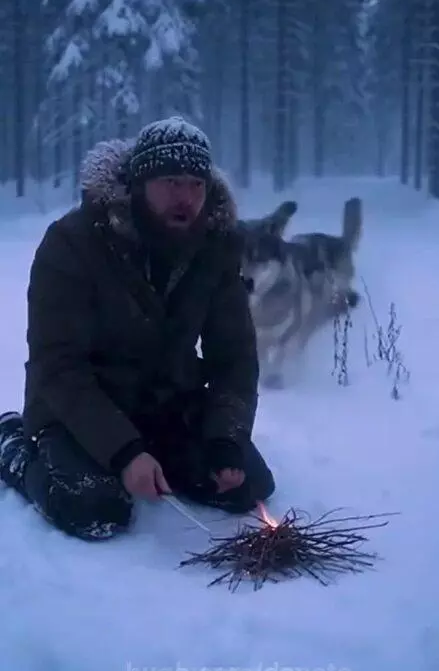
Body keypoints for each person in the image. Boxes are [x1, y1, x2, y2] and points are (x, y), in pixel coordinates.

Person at [0, 116, 275, 540]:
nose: (185, 197)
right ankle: (14, 446)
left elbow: (234, 357)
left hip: (167, 406)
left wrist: (225, 439)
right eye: (170, 182)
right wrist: (125, 452)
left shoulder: (216, 247)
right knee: (94, 508)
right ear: (138, 185)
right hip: (78, 410)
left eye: (195, 184)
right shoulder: (73, 244)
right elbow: (59, 366)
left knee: (247, 486)